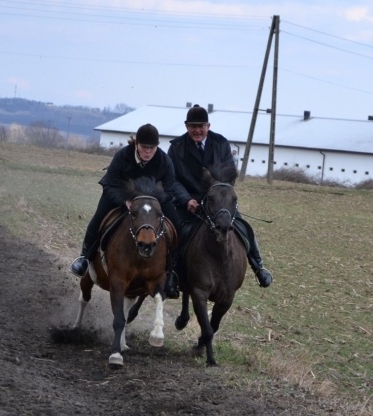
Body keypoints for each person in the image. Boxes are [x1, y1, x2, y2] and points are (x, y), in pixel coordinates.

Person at [69, 123, 186, 298]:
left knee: (177, 224)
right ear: (136, 144)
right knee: (98, 218)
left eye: (152, 148)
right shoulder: (122, 156)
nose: (148, 152)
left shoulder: (164, 160)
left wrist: (153, 202)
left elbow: (169, 187)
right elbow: (110, 183)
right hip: (120, 195)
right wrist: (125, 201)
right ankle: (84, 258)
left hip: (153, 200)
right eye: (144, 147)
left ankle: (173, 272)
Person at [167, 104, 272, 288]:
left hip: (218, 197)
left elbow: (230, 172)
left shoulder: (221, 143)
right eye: (193, 126)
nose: (197, 130)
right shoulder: (176, 147)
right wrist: (186, 200)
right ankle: (173, 273)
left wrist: (218, 193)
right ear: (186, 126)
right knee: (175, 231)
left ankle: (258, 266)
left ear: (208, 126)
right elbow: (173, 179)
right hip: (188, 200)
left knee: (243, 226)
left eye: (201, 126)